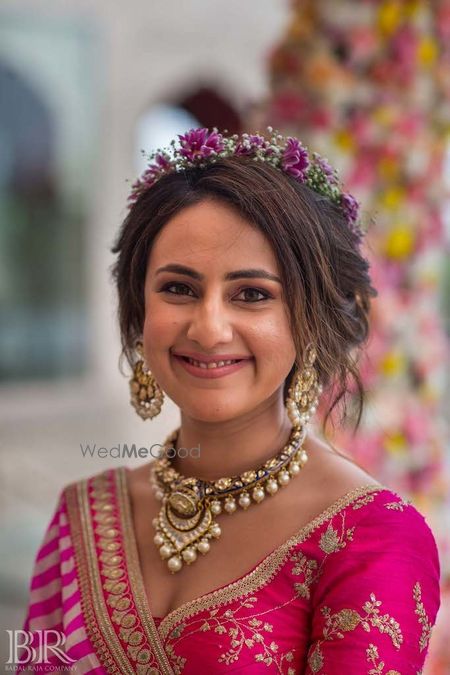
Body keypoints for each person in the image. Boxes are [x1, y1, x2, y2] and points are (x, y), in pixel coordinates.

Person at [19, 128, 440, 674]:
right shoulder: (82, 516)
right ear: (137, 309)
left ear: (309, 320)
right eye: (178, 288)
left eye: (252, 295)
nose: (209, 328)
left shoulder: (371, 538)